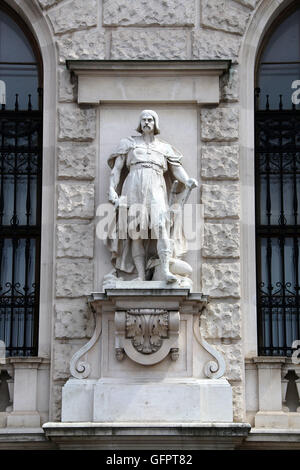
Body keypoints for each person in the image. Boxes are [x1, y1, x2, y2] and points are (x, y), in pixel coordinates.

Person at [106, 109, 197, 284]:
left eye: (150, 120)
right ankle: (140, 275)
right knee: (136, 233)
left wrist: (187, 180)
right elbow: (116, 170)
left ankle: (164, 270)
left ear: (155, 124)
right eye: (144, 120)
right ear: (140, 124)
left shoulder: (164, 148)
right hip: (133, 185)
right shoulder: (129, 143)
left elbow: (176, 168)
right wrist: (112, 189)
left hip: (156, 187)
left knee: (161, 226)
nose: (147, 122)